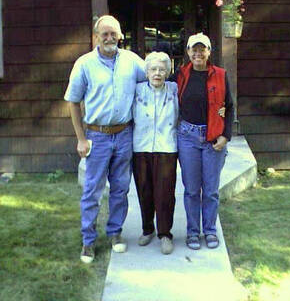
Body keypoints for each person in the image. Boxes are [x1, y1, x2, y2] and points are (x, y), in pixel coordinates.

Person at [64, 15, 145, 263]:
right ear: (96, 36)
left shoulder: (132, 61)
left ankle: (115, 233)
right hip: (96, 137)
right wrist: (80, 139)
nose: (109, 38)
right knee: (92, 191)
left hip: (124, 135)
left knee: (120, 189)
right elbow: (73, 101)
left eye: (114, 33)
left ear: (120, 36)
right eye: (104, 34)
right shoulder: (84, 64)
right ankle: (88, 241)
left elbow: (153, 78)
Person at [173, 32, 233, 250]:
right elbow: (156, 82)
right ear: (188, 52)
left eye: (203, 49)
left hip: (212, 138)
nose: (198, 53)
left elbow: (230, 106)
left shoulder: (220, 74)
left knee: (210, 189)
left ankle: (209, 230)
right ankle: (192, 232)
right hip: (187, 137)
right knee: (191, 189)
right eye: (194, 49)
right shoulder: (180, 75)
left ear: (209, 52)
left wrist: (226, 135)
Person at [132, 52, 178, 255]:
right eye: (153, 69)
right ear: (147, 72)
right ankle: (147, 229)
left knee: (165, 193)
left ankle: (165, 234)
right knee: (144, 190)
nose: (157, 73)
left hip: (167, 146)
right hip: (141, 146)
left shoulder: (175, 90)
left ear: (168, 72)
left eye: (161, 69)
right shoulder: (137, 90)